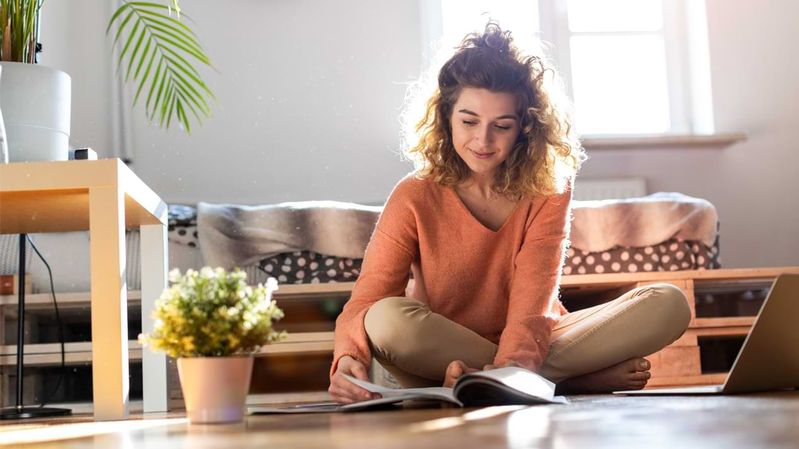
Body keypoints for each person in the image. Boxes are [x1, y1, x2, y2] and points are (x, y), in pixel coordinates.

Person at [328, 23, 691, 404]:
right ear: (445, 117)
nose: (483, 141)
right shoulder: (413, 194)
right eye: (469, 122)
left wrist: (515, 360)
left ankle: (496, 380)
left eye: (501, 126)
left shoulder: (548, 189)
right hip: (439, 349)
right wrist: (348, 359)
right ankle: (559, 381)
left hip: (532, 338)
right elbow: (369, 296)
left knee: (667, 303)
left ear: (525, 128)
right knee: (386, 319)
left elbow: (533, 304)